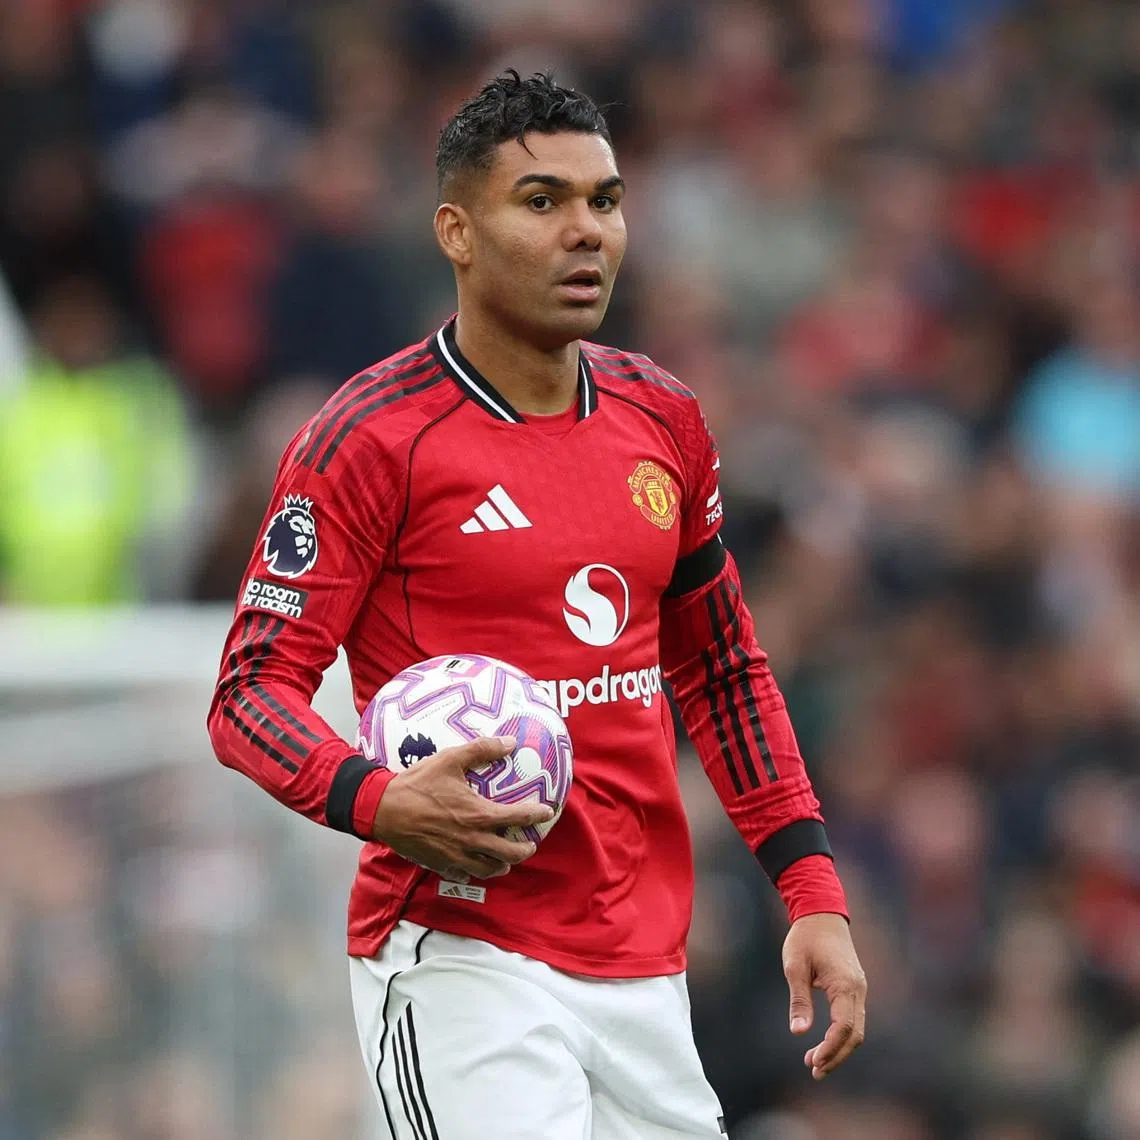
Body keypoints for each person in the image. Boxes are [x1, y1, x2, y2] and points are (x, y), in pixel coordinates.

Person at [207, 70, 867, 1139]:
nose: (586, 233)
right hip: (462, 960)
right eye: (542, 201)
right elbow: (248, 694)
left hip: (645, 968)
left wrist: (811, 889)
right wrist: (380, 799)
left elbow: (722, 667)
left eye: (604, 201)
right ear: (456, 233)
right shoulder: (369, 440)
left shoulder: (664, 417)